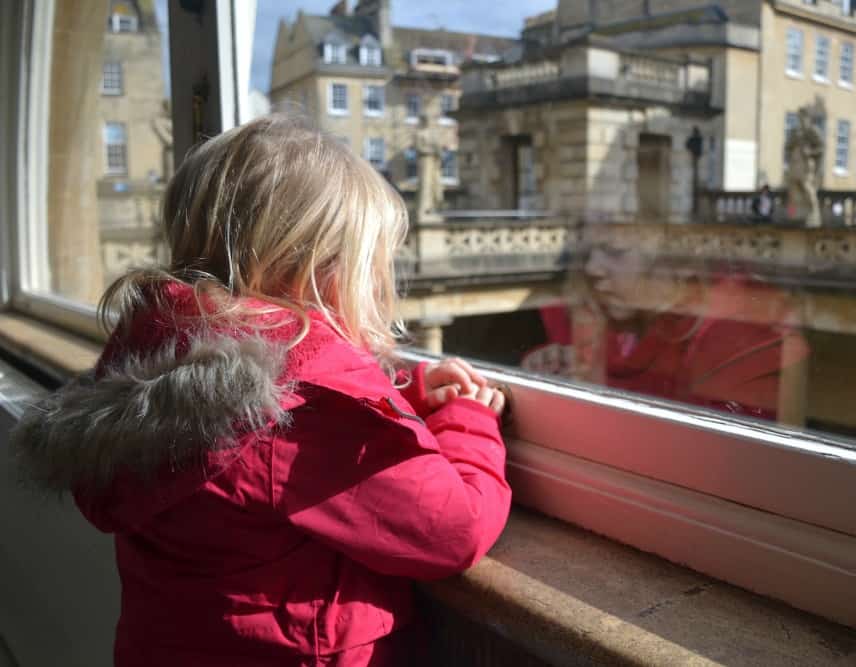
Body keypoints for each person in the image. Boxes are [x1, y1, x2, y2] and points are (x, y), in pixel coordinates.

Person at [10, 114, 511, 666]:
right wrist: (467, 420)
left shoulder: (151, 356)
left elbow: (275, 470)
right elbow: (455, 531)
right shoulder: (294, 406)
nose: (376, 284)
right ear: (315, 270)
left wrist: (403, 401)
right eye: (370, 265)